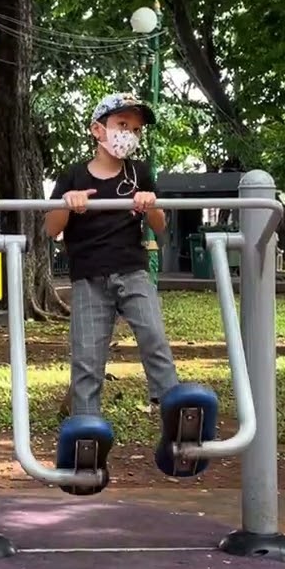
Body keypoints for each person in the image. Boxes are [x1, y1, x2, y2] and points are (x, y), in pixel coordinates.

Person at [45, 93, 179, 420]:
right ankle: (86, 427)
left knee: (154, 338)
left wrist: (151, 203)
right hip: (89, 276)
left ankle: (172, 411)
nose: (129, 135)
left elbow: (160, 225)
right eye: (122, 125)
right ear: (97, 130)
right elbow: (50, 228)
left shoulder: (139, 174)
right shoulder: (74, 176)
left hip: (132, 270)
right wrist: (68, 202)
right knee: (88, 358)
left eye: (135, 130)